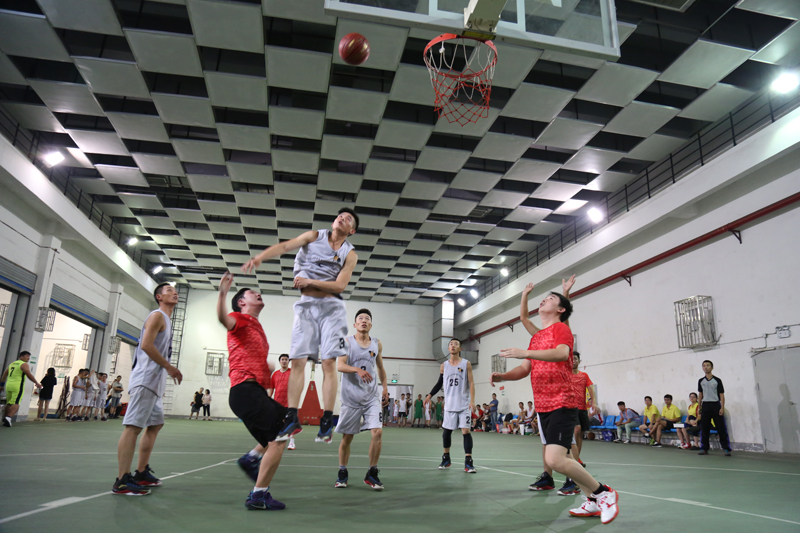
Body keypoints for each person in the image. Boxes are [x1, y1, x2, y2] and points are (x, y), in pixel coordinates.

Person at [491, 281, 619, 524]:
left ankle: (604, 493)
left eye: (550, 298)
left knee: (554, 460)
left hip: (562, 402)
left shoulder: (560, 329)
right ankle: (592, 500)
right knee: (566, 458)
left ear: (560, 309)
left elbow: (561, 353)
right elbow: (525, 369)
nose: (544, 299)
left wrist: (525, 352)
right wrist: (503, 376)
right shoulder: (537, 338)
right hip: (543, 407)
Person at [242, 207, 359, 444]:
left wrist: (309, 280)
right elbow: (286, 246)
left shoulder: (350, 254)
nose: (342, 218)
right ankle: (292, 416)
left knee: (329, 362)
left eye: (348, 219)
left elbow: (340, 286)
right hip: (306, 306)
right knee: (298, 362)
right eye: (340, 215)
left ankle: (326, 420)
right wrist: (261, 257)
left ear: (352, 230)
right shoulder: (314, 236)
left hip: (332, 309)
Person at [218, 271, 289, 510]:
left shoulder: (257, 328)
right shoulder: (237, 318)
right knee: (279, 437)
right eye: (252, 293)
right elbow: (223, 319)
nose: (258, 293)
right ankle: (258, 495)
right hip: (244, 390)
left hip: (253, 391)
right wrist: (222, 293)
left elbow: (257, 361)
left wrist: (269, 369)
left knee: (287, 426)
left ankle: (252, 458)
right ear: (241, 302)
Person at [112, 282, 183, 496]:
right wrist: (169, 367)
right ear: (159, 297)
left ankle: (141, 472)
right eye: (169, 290)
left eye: (175, 290)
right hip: (145, 379)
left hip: (154, 382)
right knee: (133, 427)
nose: (174, 292)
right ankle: (122, 480)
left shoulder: (167, 319)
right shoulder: (157, 316)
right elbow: (146, 345)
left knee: (155, 424)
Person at [334, 308, 389, 490]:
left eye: (367, 318)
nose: (364, 320)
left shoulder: (377, 344)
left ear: (371, 324)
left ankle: (372, 473)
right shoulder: (346, 342)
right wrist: (357, 369)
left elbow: (380, 368)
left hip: (371, 396)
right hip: (351, 397)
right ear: (355, 324)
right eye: (360, 318)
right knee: (347, 437)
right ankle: (342, 471)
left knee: (377, 432)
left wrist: (385, 388)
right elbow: (340, 366)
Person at [425, 338, 477, 474]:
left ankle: (468, 461)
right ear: (448, 348)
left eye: (456, 344)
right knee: (446, 432)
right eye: (451, 344)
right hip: (449, 405)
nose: (453, 346)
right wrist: (430, 395)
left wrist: (472, 401)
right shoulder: (444, 366)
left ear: (460, 349)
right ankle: (446, 457)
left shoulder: (466, 364)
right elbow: (439, 383)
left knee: (466, 431)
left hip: (464, 404)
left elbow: (471, 382)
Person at [698, 360, 731, 456]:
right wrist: (699, 406)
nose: (705, 367)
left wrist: (722, 407)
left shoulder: (717, 380)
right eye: (704, 366)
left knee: (721, 428)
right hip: (705, 405)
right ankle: (704, 448)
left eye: (708, 365)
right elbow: (700, 394)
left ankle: (726, 448)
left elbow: (721, 395)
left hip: (715, 405)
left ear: (712, 367)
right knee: (704, 428)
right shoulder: (701, 381)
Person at [0, 351, 42, 426]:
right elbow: (28, 374)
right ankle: (8, 418)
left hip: (9, 385)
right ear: (21, 356)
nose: (28, 358)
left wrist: (2, 385)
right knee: (17, 402)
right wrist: (36, 382)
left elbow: (4, 374)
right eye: (27, 356)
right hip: (17, 386)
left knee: (9, 403)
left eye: (29, 357)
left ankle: (5, 418)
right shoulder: (24, 364)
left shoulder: (12, 364)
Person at [270, 354, 295, 450]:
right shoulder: (275, 374)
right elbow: (271, 388)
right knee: (278, 423)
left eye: (286, 359)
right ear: (279, 361)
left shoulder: (292, 373)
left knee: (290, 422)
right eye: (282, 359)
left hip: (290, 402)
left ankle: (292, 443)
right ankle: (277, 440)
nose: (284, 361)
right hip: (277, 403)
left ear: (288, 362)